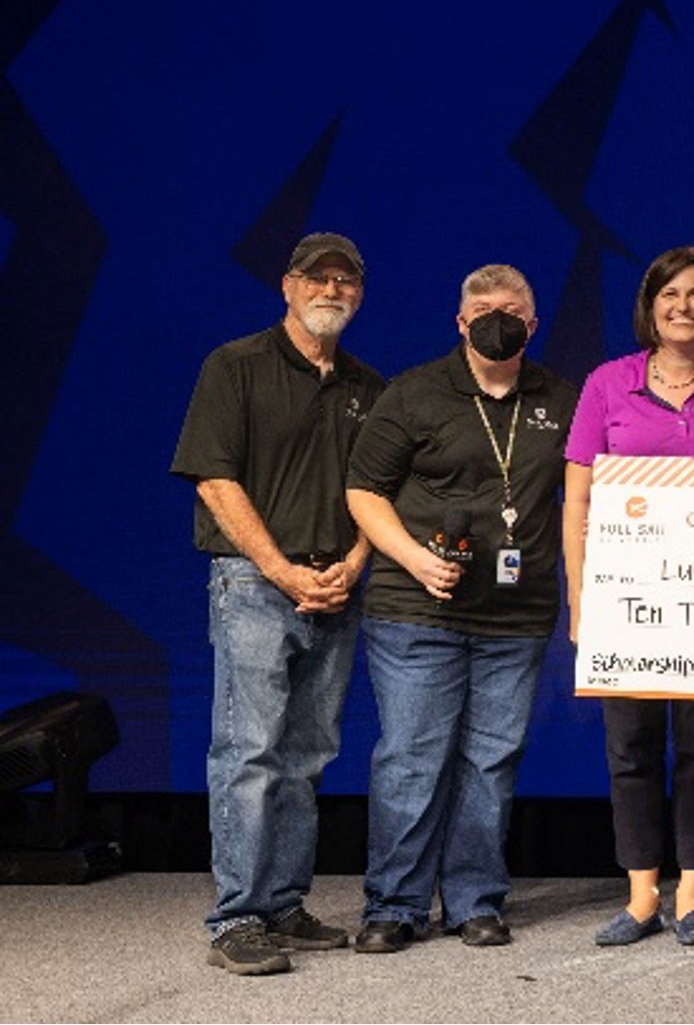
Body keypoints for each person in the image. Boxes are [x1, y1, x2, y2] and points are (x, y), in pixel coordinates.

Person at [343, 264, 577, 953]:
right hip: (416, 610)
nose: (494, 317)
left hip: (516, 616)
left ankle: (475, 898)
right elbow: (363, 489)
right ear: (460, 321)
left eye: (510, 309)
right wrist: (414, 556)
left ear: (532, 326)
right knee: (415, 759)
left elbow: (596, 490)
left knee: (491, 761)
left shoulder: (562, 400)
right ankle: (395, 904)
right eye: (481, 307)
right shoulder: (413, 393)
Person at [171, 233, 385, 976]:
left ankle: (284, 903)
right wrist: (282, 570)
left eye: (346, 281)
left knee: (307, 757)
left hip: (335, 591)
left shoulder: (368, 386)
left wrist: (351, 566)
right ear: (288, 286)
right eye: (318, 278)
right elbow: (213, 480)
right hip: (254, 588)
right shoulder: (236, 366)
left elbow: (376, 495)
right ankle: (236, 917)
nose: (333, 290)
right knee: (249, 753)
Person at [561, 247, 694, 947]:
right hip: (627, 601)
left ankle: (692, 895)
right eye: (670, 295)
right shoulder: (607, 384)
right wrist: (581, 600)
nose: (683, 307)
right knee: (632, 747)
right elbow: (577, 502)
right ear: (649, 306)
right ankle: (642, 895)